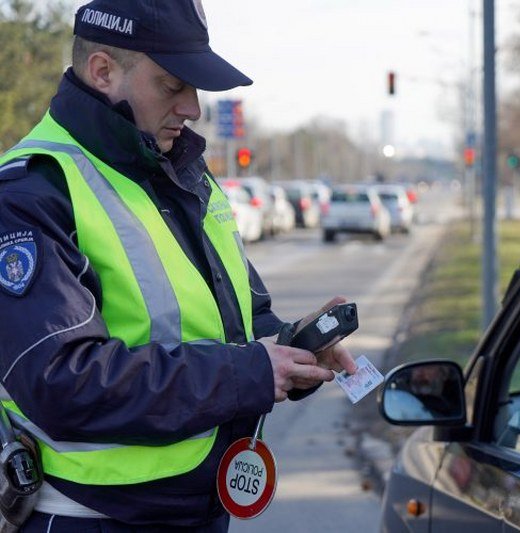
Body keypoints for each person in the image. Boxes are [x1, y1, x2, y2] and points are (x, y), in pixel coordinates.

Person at [0, 1, 358, 531]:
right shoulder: (33, 191)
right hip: (92, 518)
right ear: (103, 71)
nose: (192, 107)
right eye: (173, 85)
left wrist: (292, 347)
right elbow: (62, 383)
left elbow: (238, 320)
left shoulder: (180, 171)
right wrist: (251, 373)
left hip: (198, 511)